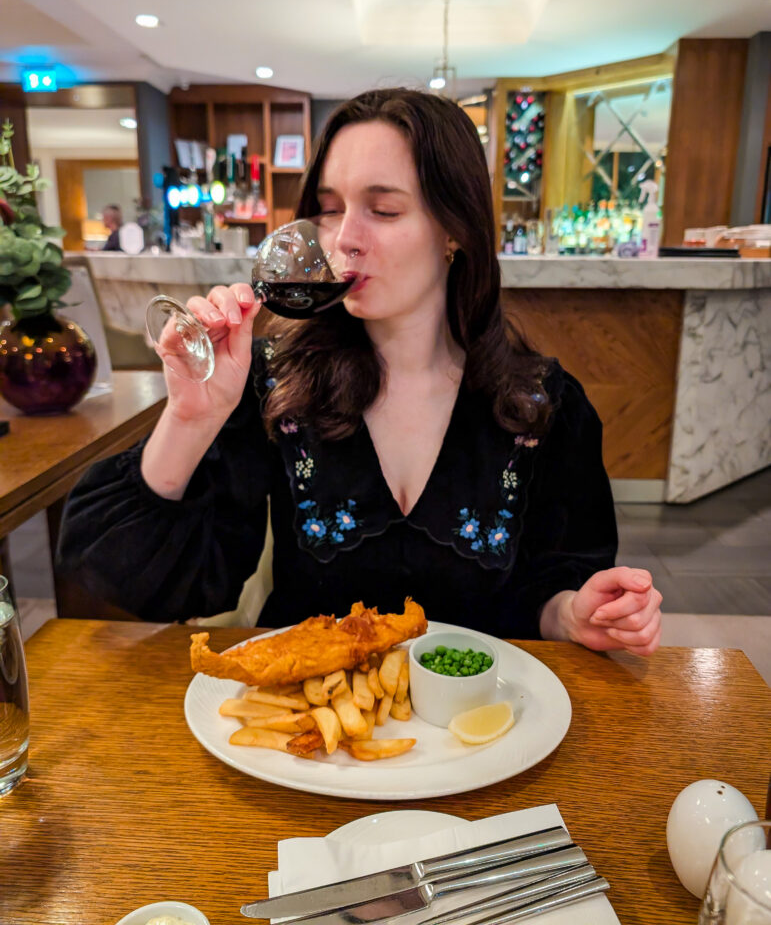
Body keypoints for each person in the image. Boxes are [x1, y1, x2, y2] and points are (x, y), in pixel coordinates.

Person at [57, 88, 662, 656]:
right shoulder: (275, 385)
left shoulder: (542, 406)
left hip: (475, 731)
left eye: (384, 209)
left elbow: (551, 586)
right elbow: (123, 577)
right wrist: (192, 417)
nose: (344, 238)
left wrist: (575, 615)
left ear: (454, 229)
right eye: (328, 208)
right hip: (308, 741)